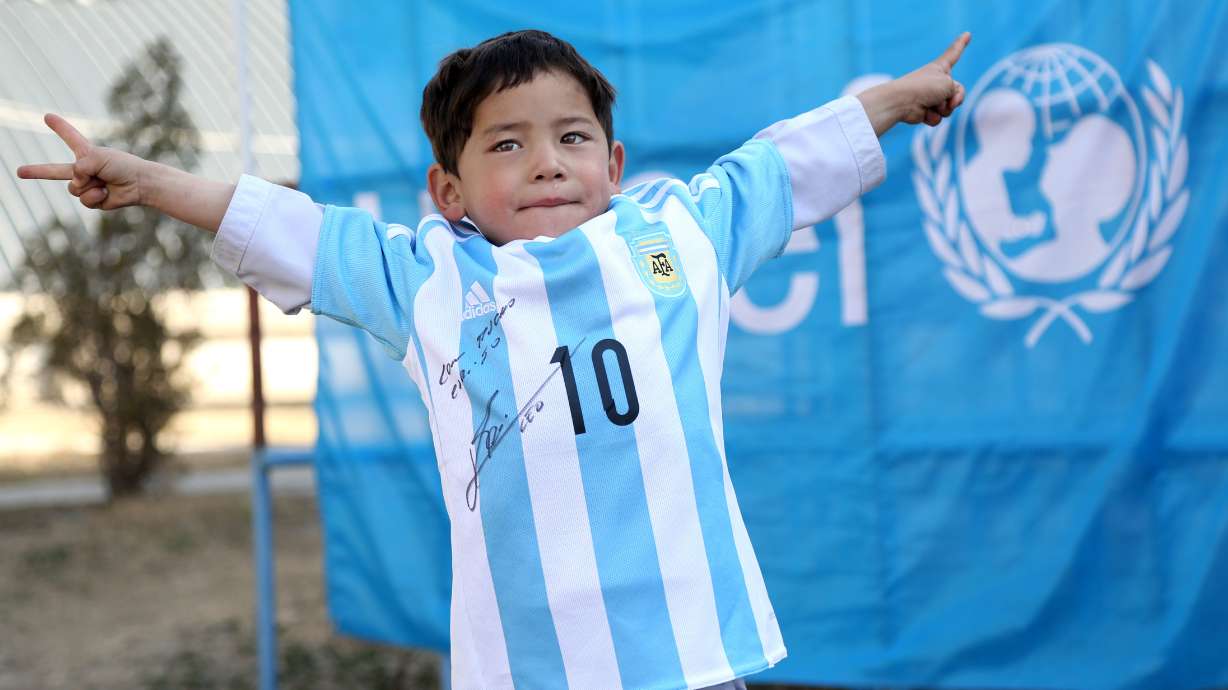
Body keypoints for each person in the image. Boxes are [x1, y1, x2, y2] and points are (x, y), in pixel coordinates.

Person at [17, 28, 970, 690]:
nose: (547, 162)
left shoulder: (679, 236)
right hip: (530, 666)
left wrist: (891, 99)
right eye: (506, 144)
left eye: (571, 138)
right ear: (449, 189)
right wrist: (147, 182)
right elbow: (294, 228)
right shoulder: (427, 278)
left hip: (688, 657)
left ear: (615, 163)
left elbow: (779, 167)